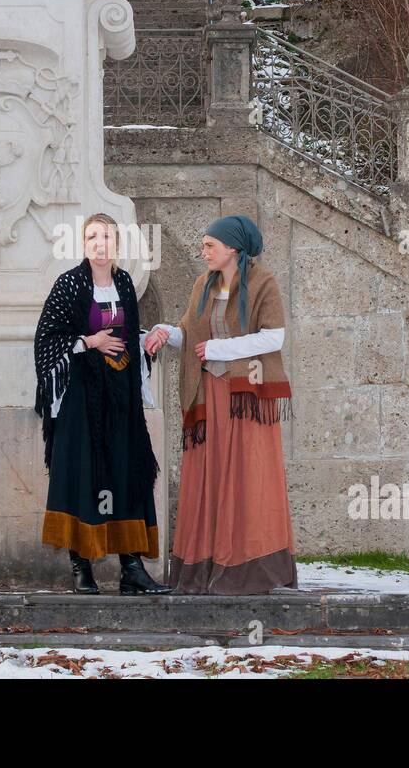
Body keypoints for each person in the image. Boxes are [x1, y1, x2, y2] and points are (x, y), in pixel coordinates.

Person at [143, 214, 297, 594]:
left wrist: (219, 348)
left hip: (246, 395)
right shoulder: (203, 285)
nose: (204, 251)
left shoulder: (263, 282)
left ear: (232, 248)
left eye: (210, 245)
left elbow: (273, 337)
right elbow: (191, 335)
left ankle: (251, 569)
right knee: (210, 479)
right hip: (208, 395)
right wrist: (165, 333)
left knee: (249, 477)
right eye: (204, 245)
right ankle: (205, 569)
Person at [34, 213, 171, 595]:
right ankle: (81, 566)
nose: (100, 243)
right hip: (82, 399)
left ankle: (132, 567)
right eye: (93, 236)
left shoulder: (125, 283)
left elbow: (126, 334)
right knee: (84, 474)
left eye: (107, 236)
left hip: (121, 398)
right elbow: (47, 339)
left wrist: (144, 341)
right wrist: (89, 341)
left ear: (117, 244)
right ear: (83, 243)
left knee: (127, 473)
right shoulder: (69, 284)